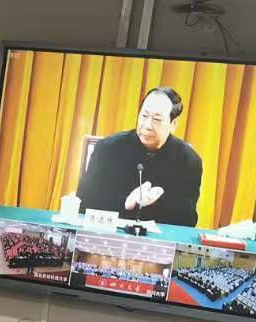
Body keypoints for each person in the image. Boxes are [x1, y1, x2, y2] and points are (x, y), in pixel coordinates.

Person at [77, 87, 203, 226]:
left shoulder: (189, 161)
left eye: (157, 119)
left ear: (173, 124)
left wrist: (156, 203)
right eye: (144, 116)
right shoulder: (107, 149)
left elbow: (187, 220)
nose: (147, 125)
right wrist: (127, 203)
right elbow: (85, 203)